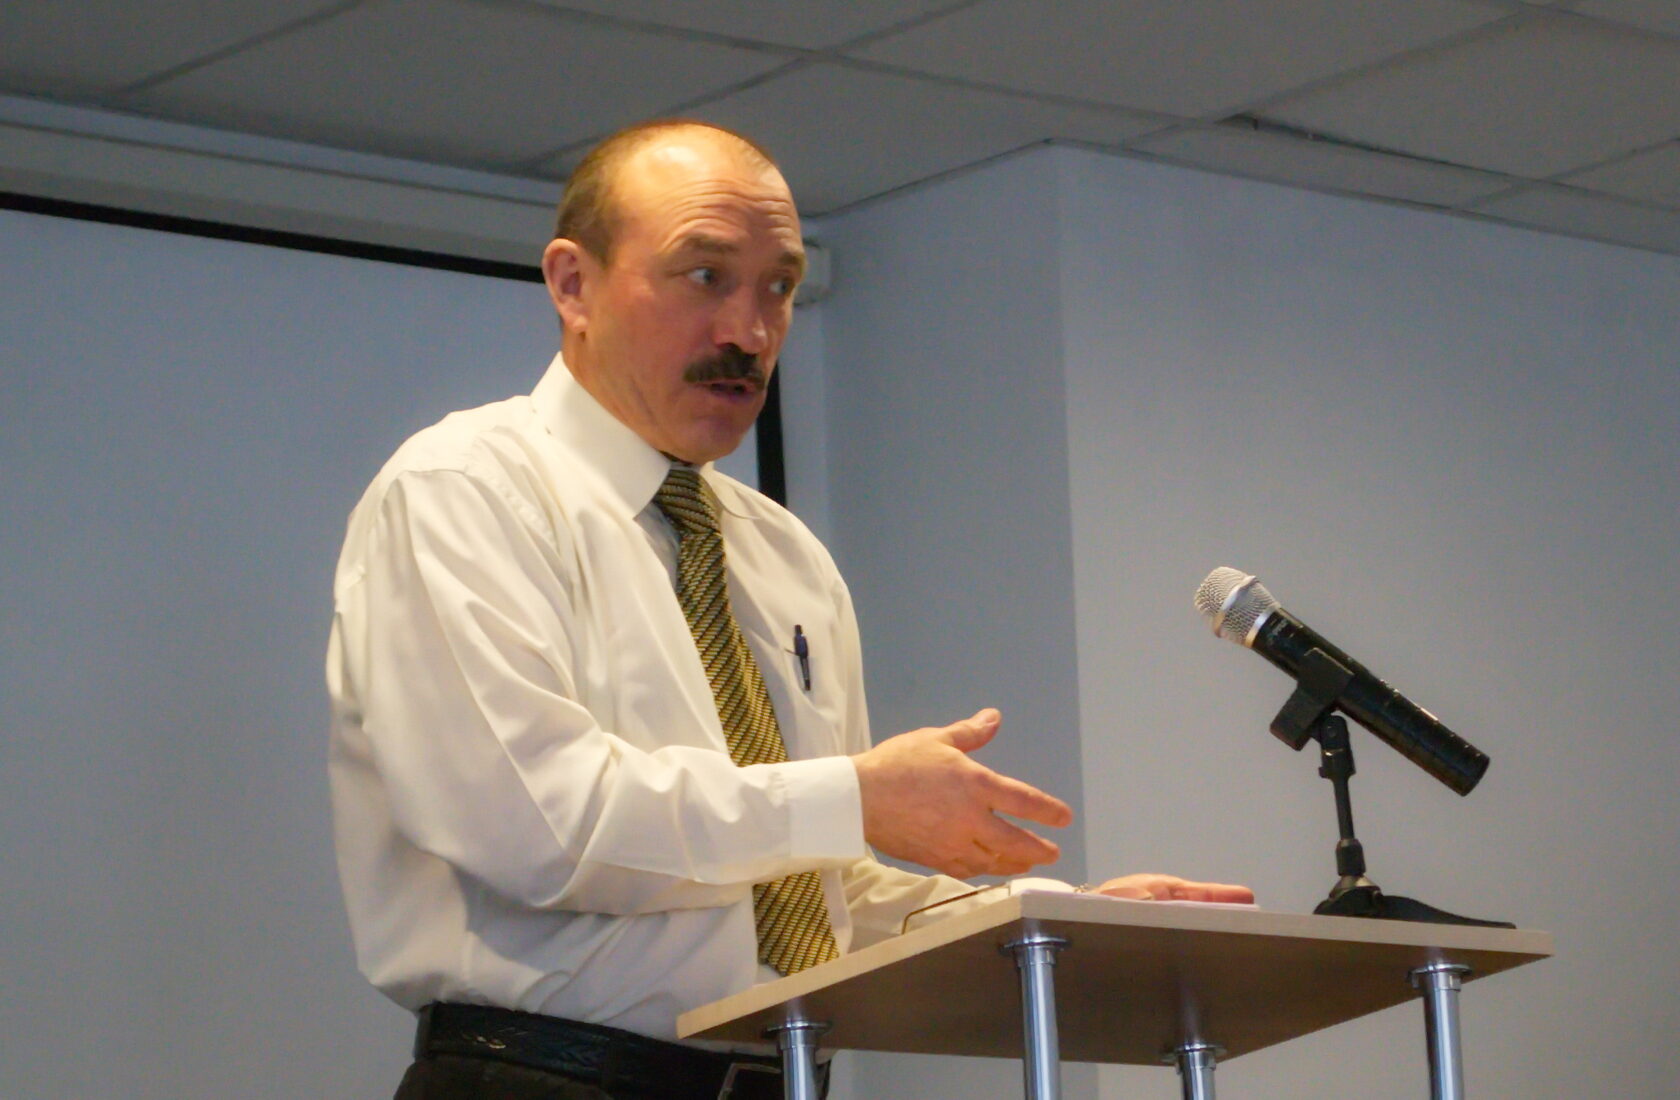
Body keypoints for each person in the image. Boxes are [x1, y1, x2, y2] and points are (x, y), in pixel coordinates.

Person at [326, 119, 1251, 1100]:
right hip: (539, 1081)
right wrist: (855, 797)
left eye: (780, 287)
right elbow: (536, 825)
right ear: (572, 285)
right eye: (705, 276)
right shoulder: (466, 488)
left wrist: (1049, 928)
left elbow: (806, 894)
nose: (750, 331)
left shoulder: (783, 555)